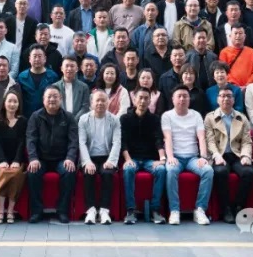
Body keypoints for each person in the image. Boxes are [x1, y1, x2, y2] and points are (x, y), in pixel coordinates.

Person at [25, 86, 79, 224]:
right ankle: (37, 211)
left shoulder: (69, 117)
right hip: (41, 159)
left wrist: (70, 158)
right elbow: (31, 140)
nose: (52, 99)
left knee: (69, 171)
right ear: (43, 99)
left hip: (61, 159)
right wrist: (33, 158)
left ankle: (62, 211)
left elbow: (73, 141)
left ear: (61, 99)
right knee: (32, 172)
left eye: (55, 96)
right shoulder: (35, 117)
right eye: (49, 96)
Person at [162, 84, 213, 225]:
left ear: (189, 99)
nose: (182, 99)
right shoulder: (167, 116)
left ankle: (200, 209)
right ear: (173, 99)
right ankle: (174, 210)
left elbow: (201, 137)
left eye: (185, 96)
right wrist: (170, 157)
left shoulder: (196, 115)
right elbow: (167, 138)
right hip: (176, 156)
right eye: (179, 96)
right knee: (171, 170)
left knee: (208, 171)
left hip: (192, 158)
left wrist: (203, 157)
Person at [204, 86, 253, 223]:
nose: (225, 99)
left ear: (234, 100)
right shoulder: (210, 118)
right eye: (222, 96)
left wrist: (245, 155)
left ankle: (238, 207)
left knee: (248, 172)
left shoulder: (241, 117)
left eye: (229, 96)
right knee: (220, 172)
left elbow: (246, 141)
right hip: (220, 154)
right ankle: (226, 209)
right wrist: (216, 155)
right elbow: (209, 141)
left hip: (237, 154)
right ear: (217, 100)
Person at [120, 87, 167, 224]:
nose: (143, 101)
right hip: (132, 158)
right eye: (140, 98)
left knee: (161, 170)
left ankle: (155, 210)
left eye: (146, 98)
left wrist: (162, 159)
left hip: (149, 159)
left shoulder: (155, 119)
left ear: (150, 101)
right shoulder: (125, 118)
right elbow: (123, 142)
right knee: (128, 169)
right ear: (134, 99)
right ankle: (130, 210)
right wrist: (128, 159)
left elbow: (159, 139)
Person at [78, 90, 122, 225]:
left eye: (103, 100)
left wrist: (111, 161)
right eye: (97, 100)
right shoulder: (83, 119)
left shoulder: (114, 120)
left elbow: (117, 142)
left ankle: (104, 210)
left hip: (107, 157)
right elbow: (81, 142)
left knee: (107, 173)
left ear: (108, 103)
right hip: (89, 156)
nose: (100, 103)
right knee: (88, 173)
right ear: (91, 103)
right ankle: (90, 210)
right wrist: (87, 162)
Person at [0, 90, 26, 224]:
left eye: (15, 101)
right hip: (1, 159)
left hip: (17, 159)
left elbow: (22, 142)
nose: (12, 104)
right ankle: (0, 211)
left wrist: (16, 160)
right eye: (9, 101)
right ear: (4, 103)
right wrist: (2, 160)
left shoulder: (23, 121)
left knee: (15, 174)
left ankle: (10, 211)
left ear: (18, 104)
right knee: (3, 173)